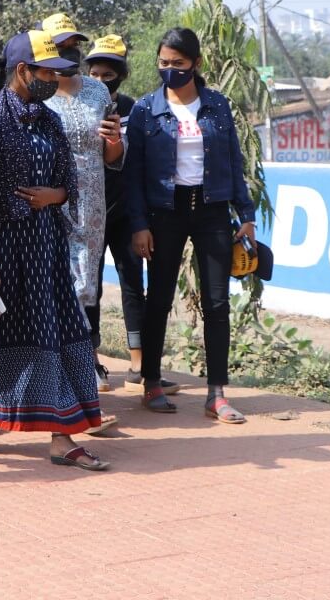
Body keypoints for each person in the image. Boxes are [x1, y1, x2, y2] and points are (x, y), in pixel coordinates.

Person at [0, 30, 109, 470]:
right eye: (47, 72)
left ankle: (62, 434)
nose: (54, 80)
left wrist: (54, 196)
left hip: (46, 247)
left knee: (60, 331)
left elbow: (69, 181)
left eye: (58, 73)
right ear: (22, 71)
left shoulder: (49, 119)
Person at [127, 27, 257, 423]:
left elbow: (234, 161)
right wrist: (138, 224)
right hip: (164, 212)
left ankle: (216, 393)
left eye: (178, 64)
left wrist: (246, 214)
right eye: (164, 63)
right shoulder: (145, 110)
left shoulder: (217, 106)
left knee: (217, 303)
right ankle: (151, 383)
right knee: (159, 300)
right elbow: (133, 173)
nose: (170, 70)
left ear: (196, 64)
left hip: (213, 210)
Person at [84, 36, 180, 396]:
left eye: (108, 73)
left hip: (125, 213)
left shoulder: (133, 109)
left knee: (132, 285)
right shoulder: (76, 107)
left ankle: (139, 365)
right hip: (88, 215)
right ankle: (91, 362)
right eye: (94, 72)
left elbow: (139, 163)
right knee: (87, 288)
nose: (100, 79)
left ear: (121, 74)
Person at [41, 13, 125, 394]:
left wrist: (114, 141)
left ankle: (82, 367)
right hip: (50, 201)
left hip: (92, 202)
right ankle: (64, 372)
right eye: (60, 46)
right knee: (56, 283)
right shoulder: (37, 94)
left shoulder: (97, 92)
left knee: (86, 284)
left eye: (73, 44)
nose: (69, 52)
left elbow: (111, 155)